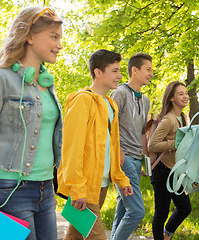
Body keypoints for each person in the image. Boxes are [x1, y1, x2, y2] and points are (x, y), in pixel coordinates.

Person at [0, 6, 63, 240]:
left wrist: (56, 184)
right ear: (30, 36)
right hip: (9, 191)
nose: (60, 45)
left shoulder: (46, 84)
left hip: (44, 190)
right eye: (54, 37)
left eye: (60, 38)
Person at [57, 49, 134, 240]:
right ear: (98, 73)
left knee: (75, 235)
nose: (120, 76)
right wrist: (76, 187)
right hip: (85, 186)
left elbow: (113, 146)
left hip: (102, 184)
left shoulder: (110, 104)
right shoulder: (82, 100)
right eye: (114, 71)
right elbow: (72, 147)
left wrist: (121, 179)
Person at [110, 53, 153, 240]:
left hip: (136, 159)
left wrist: (145, 159)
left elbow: (142, 132)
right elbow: (108, 126)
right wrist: (118, 154)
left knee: (122, 207)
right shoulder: (119, 93)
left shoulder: (145, 100)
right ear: (134, 71)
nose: (151, 73)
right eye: (148, 69)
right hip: (124, 157)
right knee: (136, 211)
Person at [148, 81, 192, 240]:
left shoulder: (184, 118)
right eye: (181, 94)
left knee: (185, 208)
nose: (185, 96)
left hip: (176, 171)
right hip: (162, 170)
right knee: (161, 212)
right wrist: (176, 144)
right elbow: (152, 145)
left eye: (186, 93)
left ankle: (166, 235)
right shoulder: (168, 120)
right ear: (171, 98)